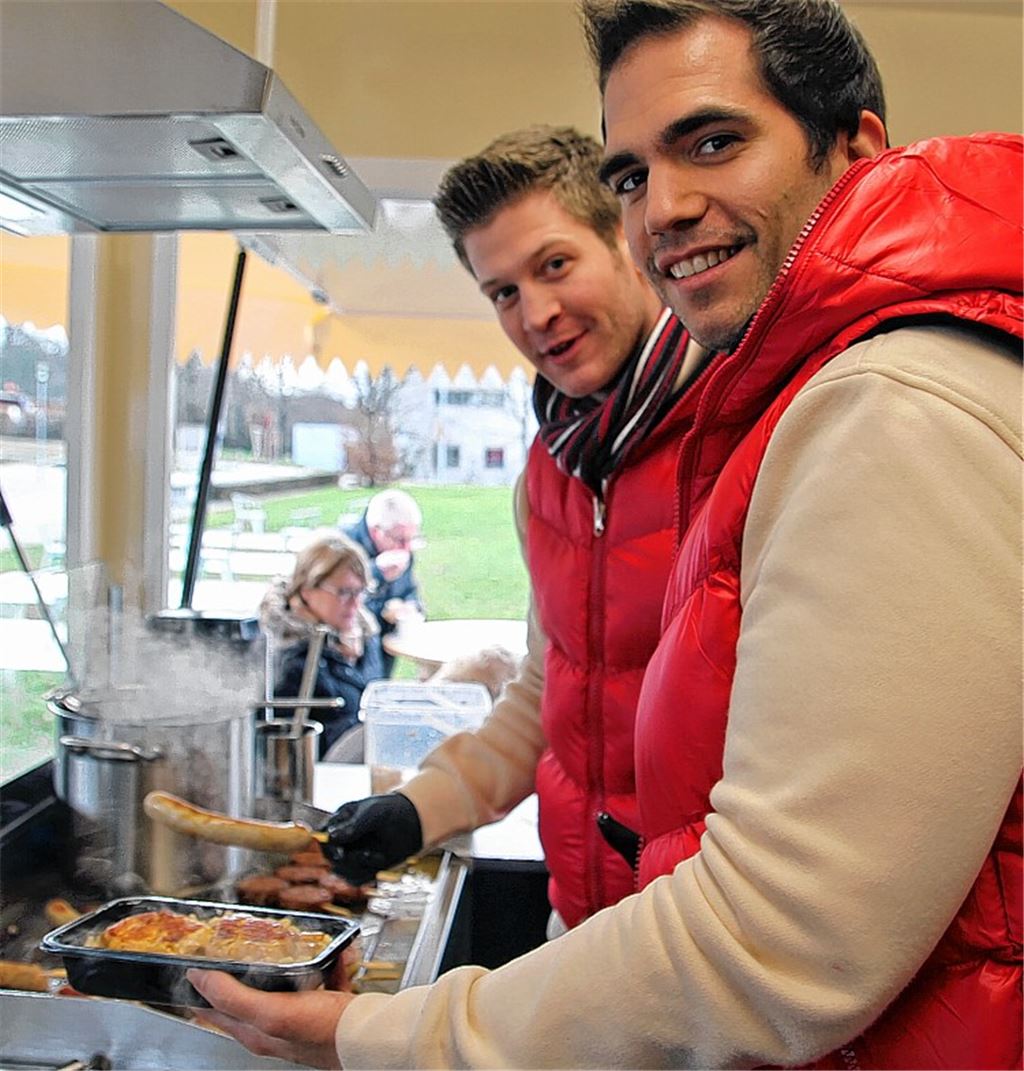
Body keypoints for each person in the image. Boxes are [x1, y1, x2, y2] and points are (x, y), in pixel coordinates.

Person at [189, 4, 1021, 1063]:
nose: (533, 312)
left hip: (721, 988)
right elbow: (555, 689)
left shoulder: (836, 414)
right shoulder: (556, 466)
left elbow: (788, 930)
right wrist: (417, 811)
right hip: (610, 958)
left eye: (712, 141)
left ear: (855, 149)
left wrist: (394, 1040)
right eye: (500, 291)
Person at [260, 533, 385, 758]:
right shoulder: (287, 657)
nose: (356, 604)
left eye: (361, 592)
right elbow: (285, 746)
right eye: (344, 592)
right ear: (307, 589)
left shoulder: (364, 634)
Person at [343, 489, 425, 676]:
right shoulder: (344, 548)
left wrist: (412, 607)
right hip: (352, 657)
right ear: (376, 531)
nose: (406, 548)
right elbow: (342, 605)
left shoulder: (403, 552)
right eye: (400, 539)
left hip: (386, 650)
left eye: (411, 539)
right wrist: (376, 573)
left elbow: (409, 590)